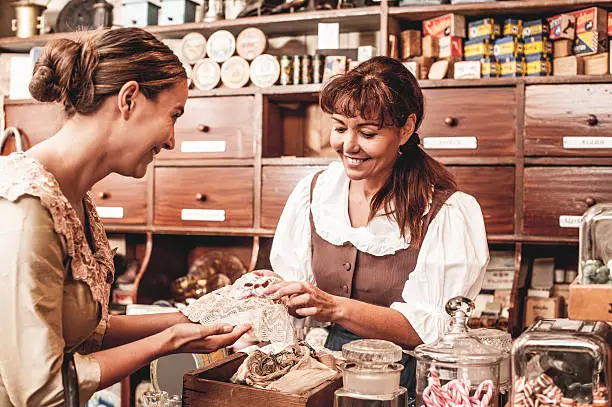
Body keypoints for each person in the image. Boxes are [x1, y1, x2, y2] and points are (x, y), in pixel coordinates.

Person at [0, 28, 250, 406]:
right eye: (173, 115)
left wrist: (186, 320)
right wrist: (169, 342)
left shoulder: (74, 200)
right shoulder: (25, 205)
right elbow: (41, 391)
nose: (171, 141)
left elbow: (82, 330)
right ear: (129, 98)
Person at [263, 56, 489, 396]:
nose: (349, 146)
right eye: (340, 128)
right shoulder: (313, 194)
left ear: (406, 128)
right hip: (324, 372)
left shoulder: (447, 212)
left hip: (404, 381)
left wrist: (334, 307)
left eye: (367, 133)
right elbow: (293, 291)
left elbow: (426, 330)